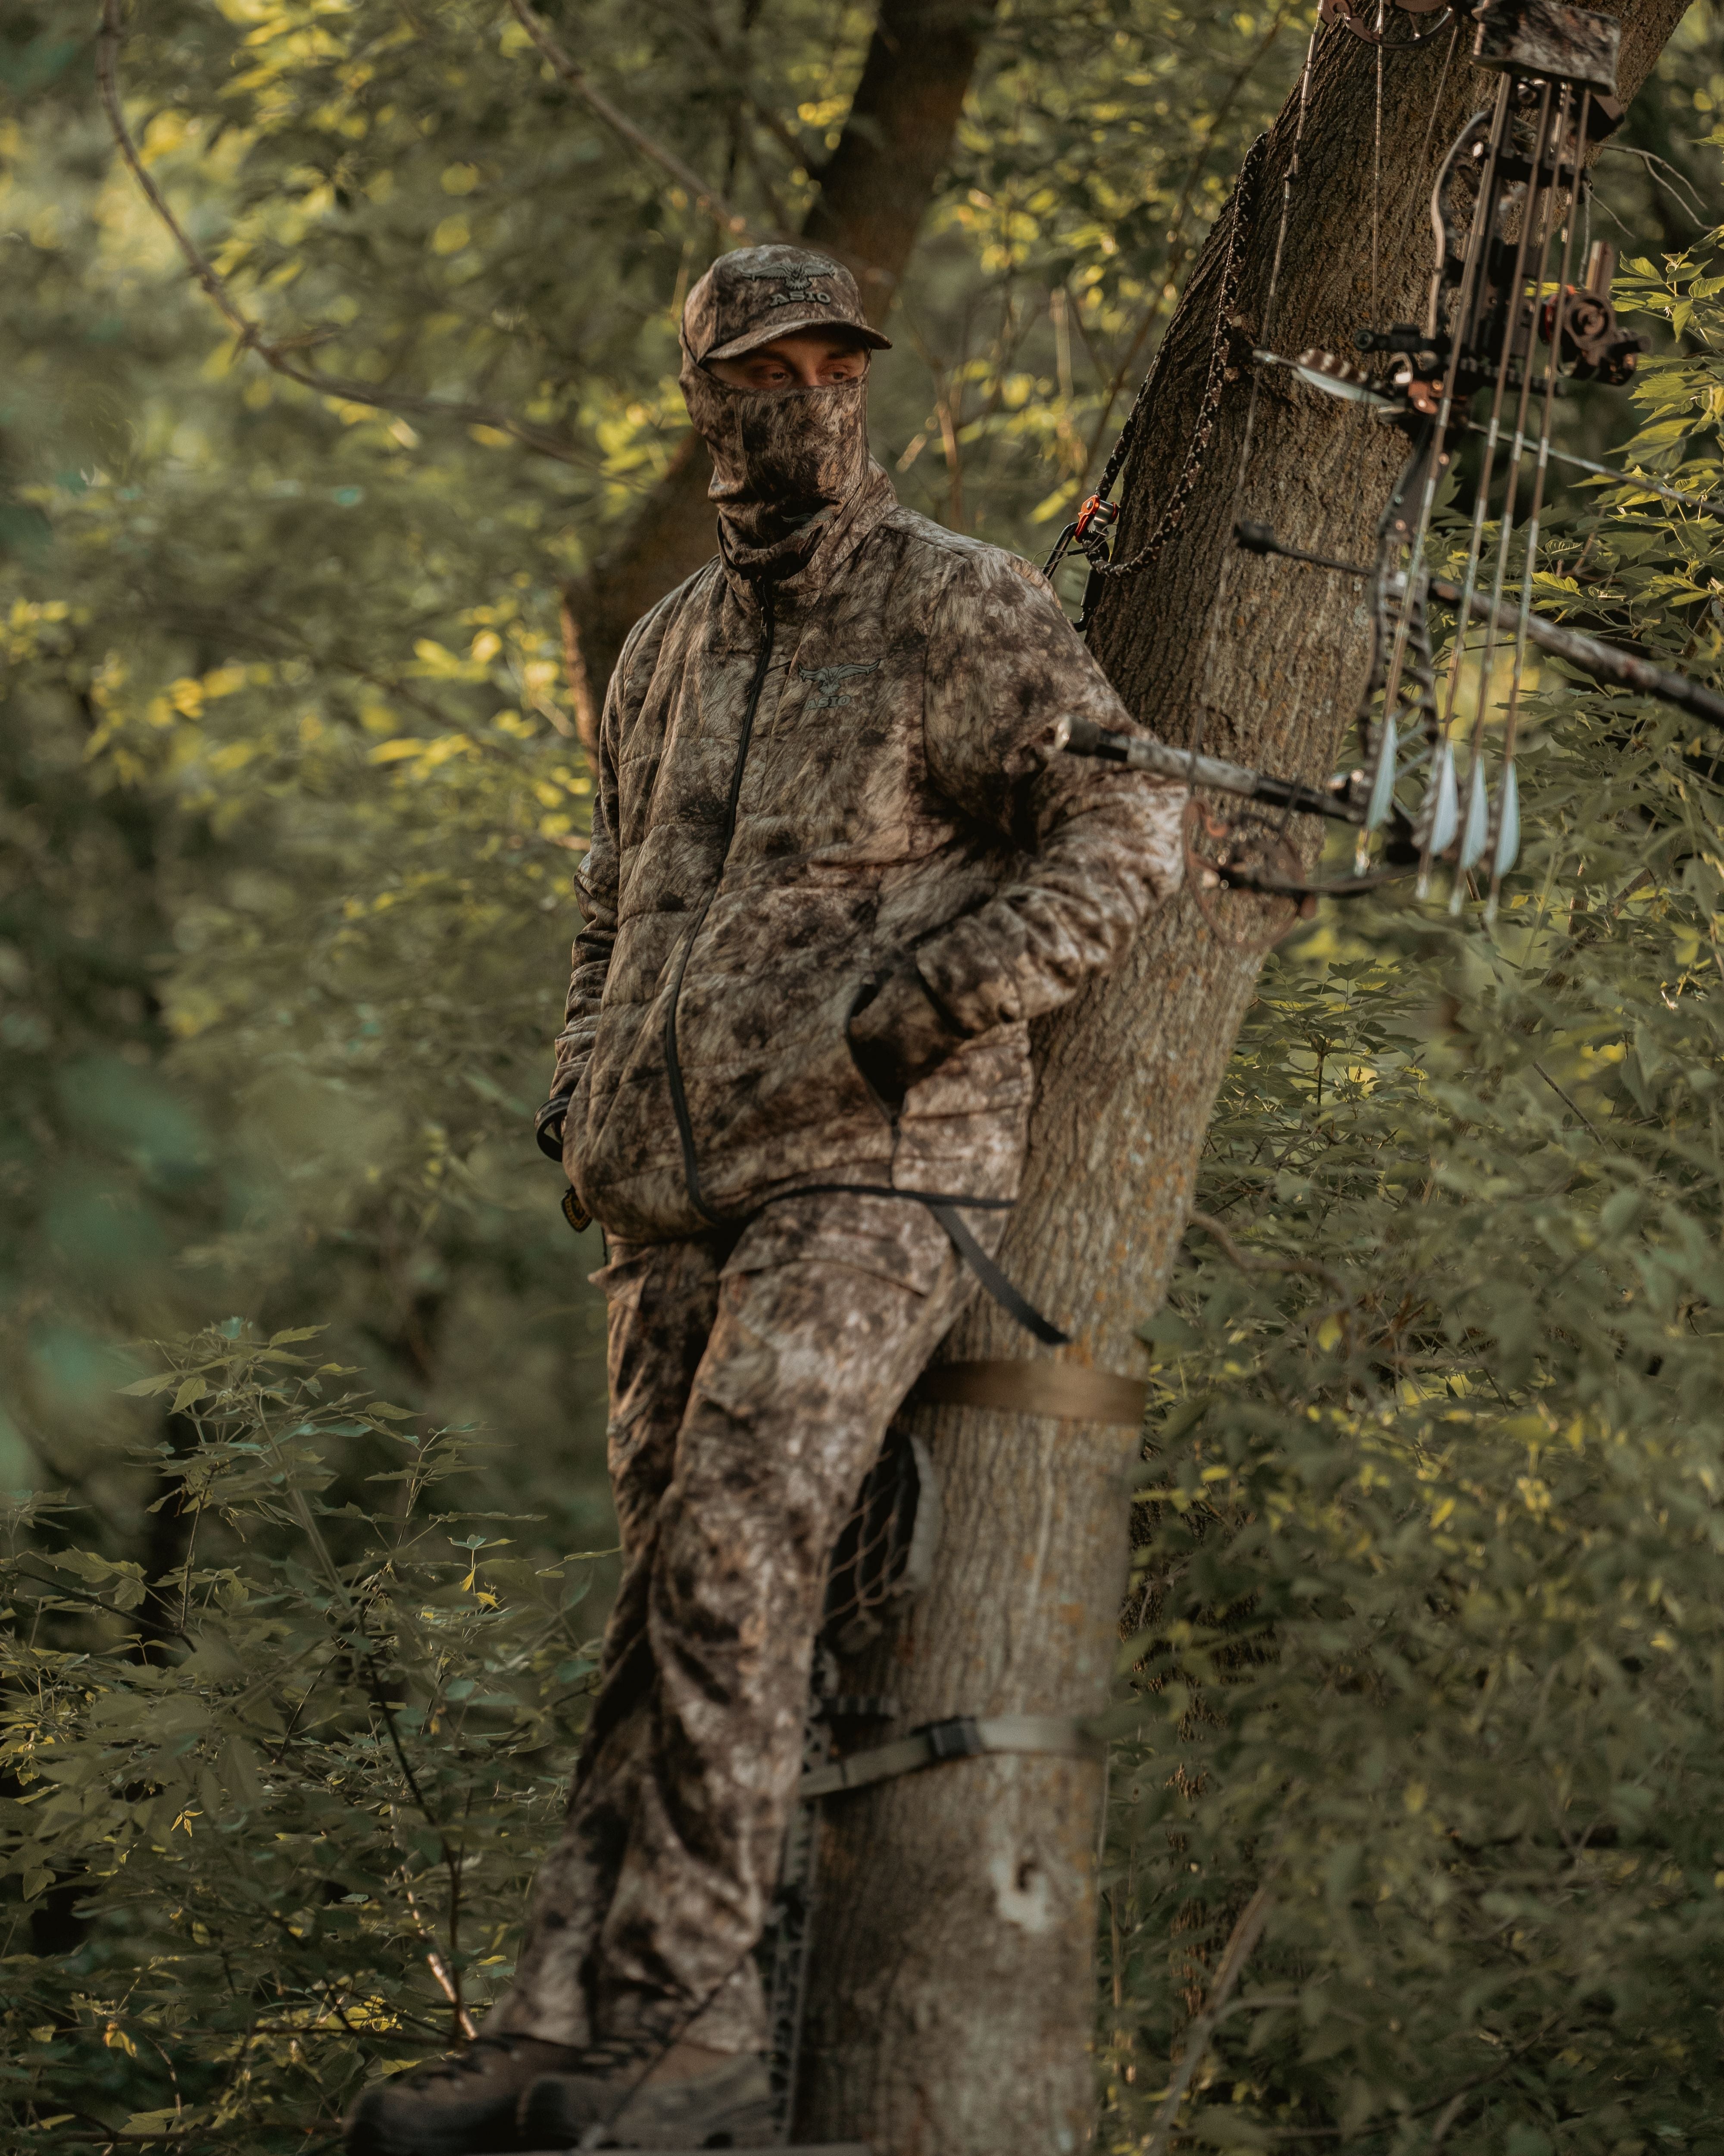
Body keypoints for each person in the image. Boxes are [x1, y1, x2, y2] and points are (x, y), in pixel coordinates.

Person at [344, 243, 1185, 2156]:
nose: (802, 393)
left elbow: (1131, 821)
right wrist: (579, 1088)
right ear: (704, 391)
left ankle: (696, 2040)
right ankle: (565, 2027)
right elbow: (610, 892)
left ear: (861, 383)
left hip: (874, 1180)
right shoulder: (667, 644)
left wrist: (927, 1008)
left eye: (832, 360)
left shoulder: (961, 605)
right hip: (666, 1203)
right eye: (761, 366)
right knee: (660, 1603)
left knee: (736, 1561)